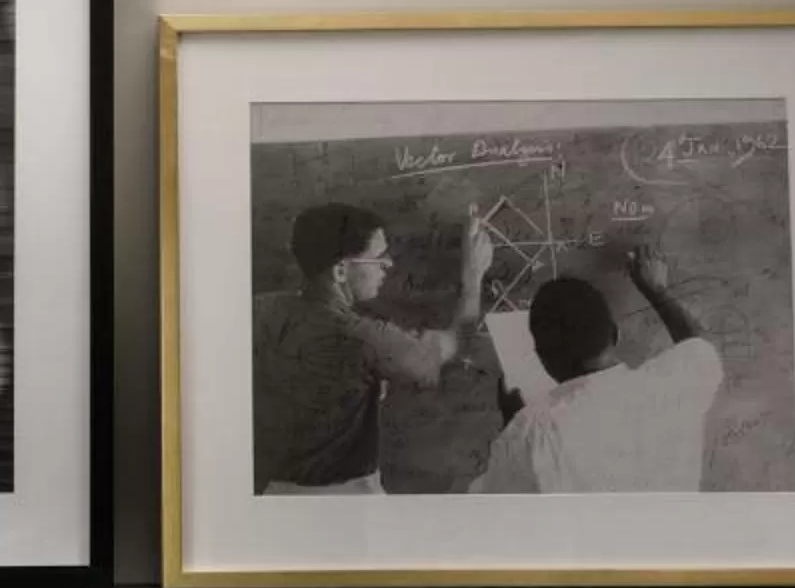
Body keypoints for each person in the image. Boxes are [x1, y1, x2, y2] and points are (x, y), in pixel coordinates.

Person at [253, 201, 493, 494]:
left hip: (273, 494)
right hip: (344, 501)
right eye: (378, 258)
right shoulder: (364, 338)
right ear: (341, 271)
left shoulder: (262, 310)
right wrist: (473, 277)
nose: (389, 264)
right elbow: (450, 346)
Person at [471, 245, 725, 493]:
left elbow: (494, 502)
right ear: (616, 333)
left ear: (542, 359)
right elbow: (699, 347)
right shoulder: (672, 389)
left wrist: (510, 425)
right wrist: (656, 288)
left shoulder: (532, 434)